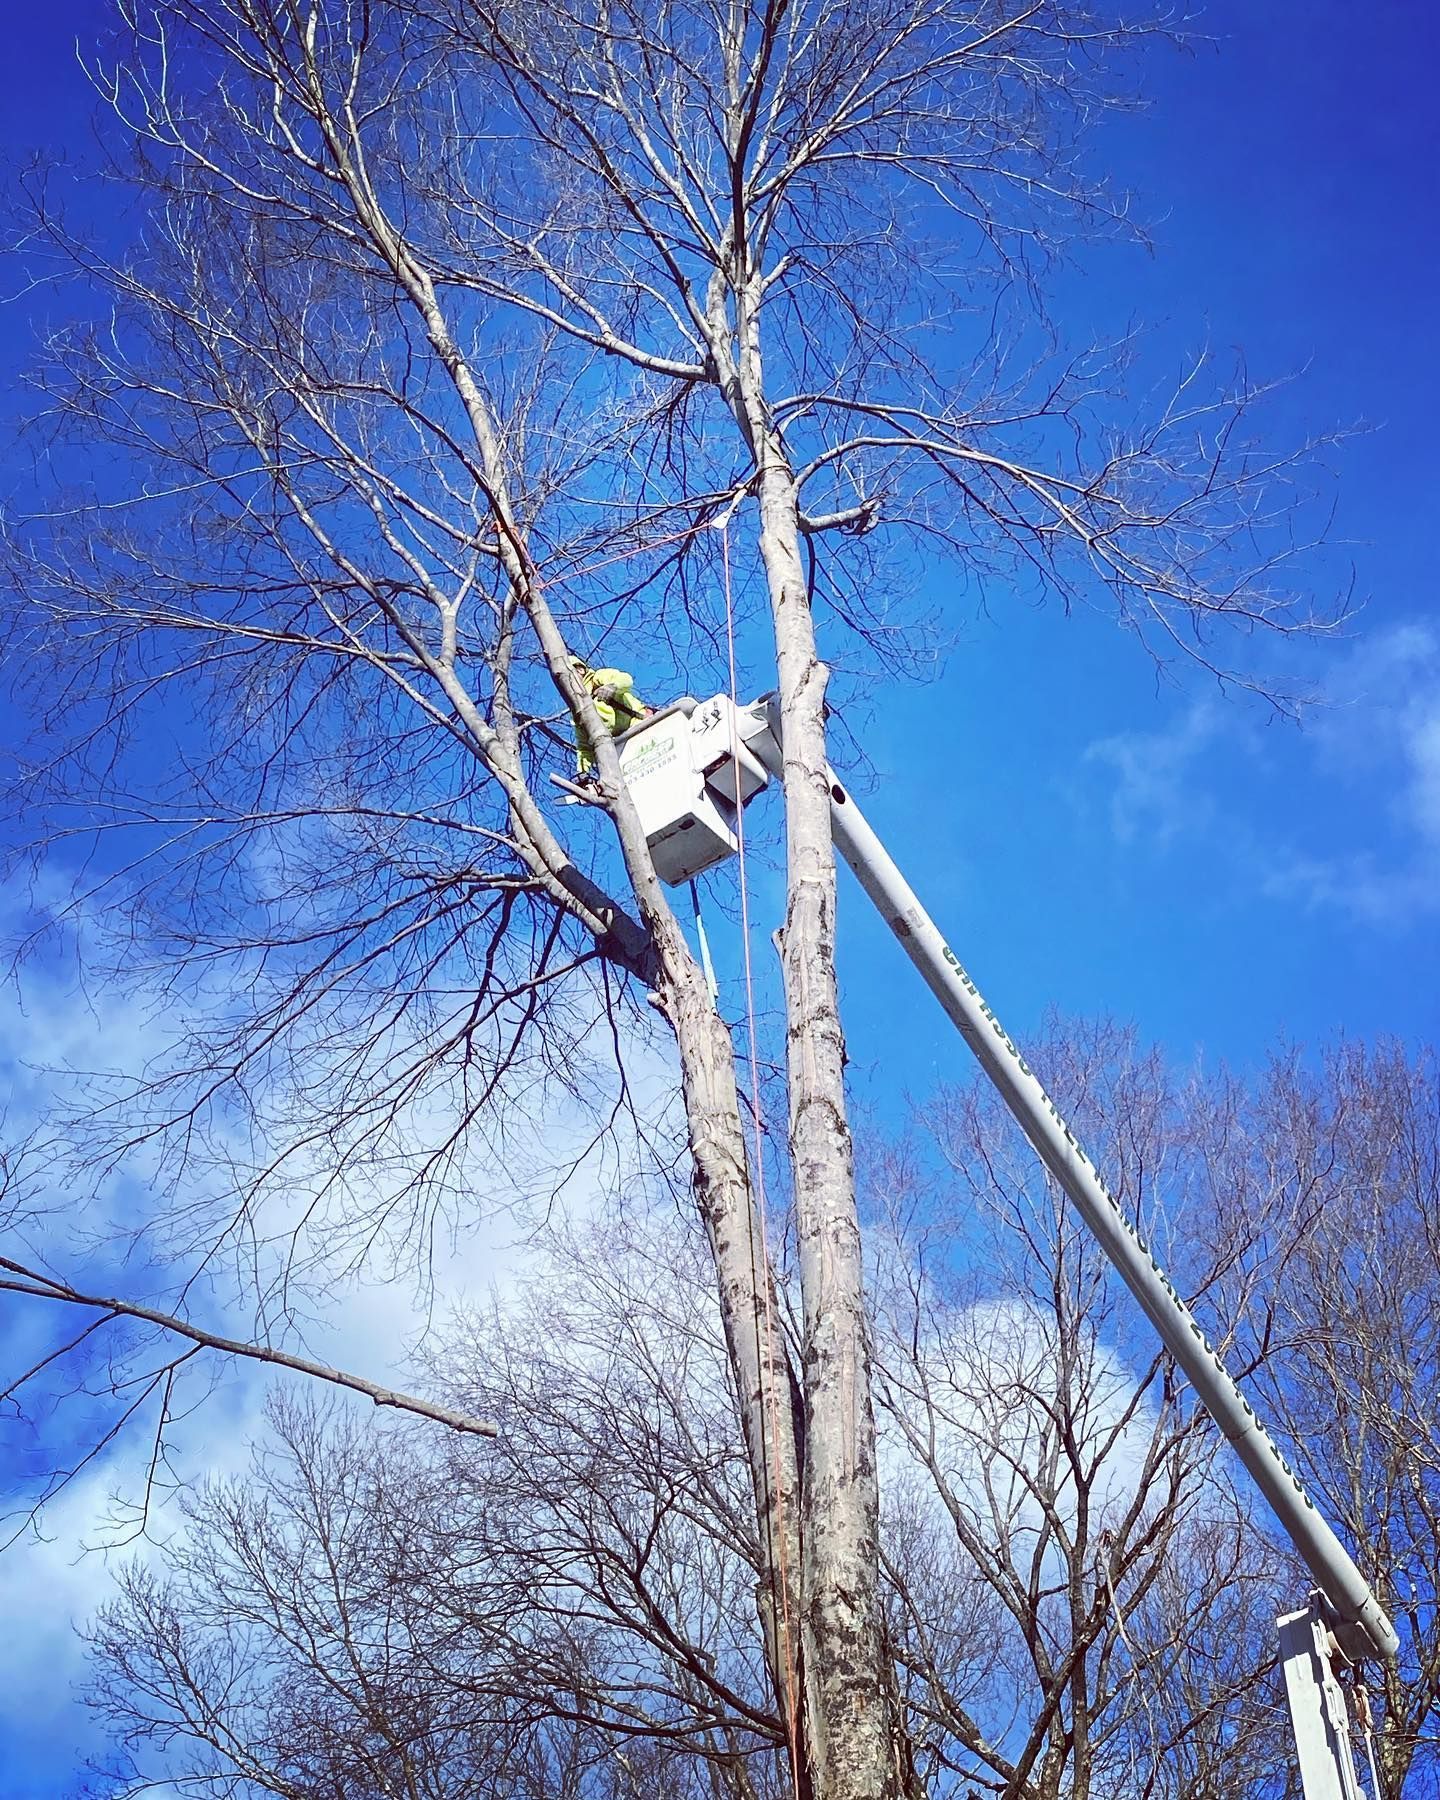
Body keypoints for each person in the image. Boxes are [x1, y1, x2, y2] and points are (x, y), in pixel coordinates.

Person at [568, 657, 651, 779]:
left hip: (643, 725)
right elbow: (584, 748)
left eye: (569, 676)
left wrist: (613, 687)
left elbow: (625, 679)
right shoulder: (579, 710)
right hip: (621, 744)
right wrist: (583, 772)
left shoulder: (598, 678)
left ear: (580, 670)